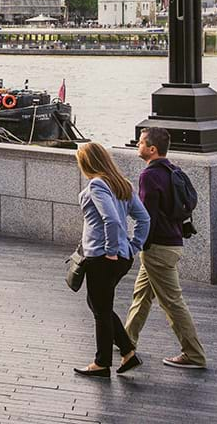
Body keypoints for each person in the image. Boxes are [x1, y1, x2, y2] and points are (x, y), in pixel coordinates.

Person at [124, 127, 207, 369]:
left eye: (140, 143)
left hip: (158, 248)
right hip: (172, 241)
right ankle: (126, 340)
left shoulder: (149, 175)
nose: (137, 146)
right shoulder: (174, 170)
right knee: (141, 295)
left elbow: (146, 216)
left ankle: (194, 354)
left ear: (152, 149)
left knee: (172, 303)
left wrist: (138, 245)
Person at [73, 141, 150, 378]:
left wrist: (111, 250)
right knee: (99, 305)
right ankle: (127, 353)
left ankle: (102, 363)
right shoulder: (122, 184)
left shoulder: (97, 184)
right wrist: (133, 246)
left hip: (103, 257)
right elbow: (144, 219)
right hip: (121, 256)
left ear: (87, 163)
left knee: (100, 309)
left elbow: (112, 220)